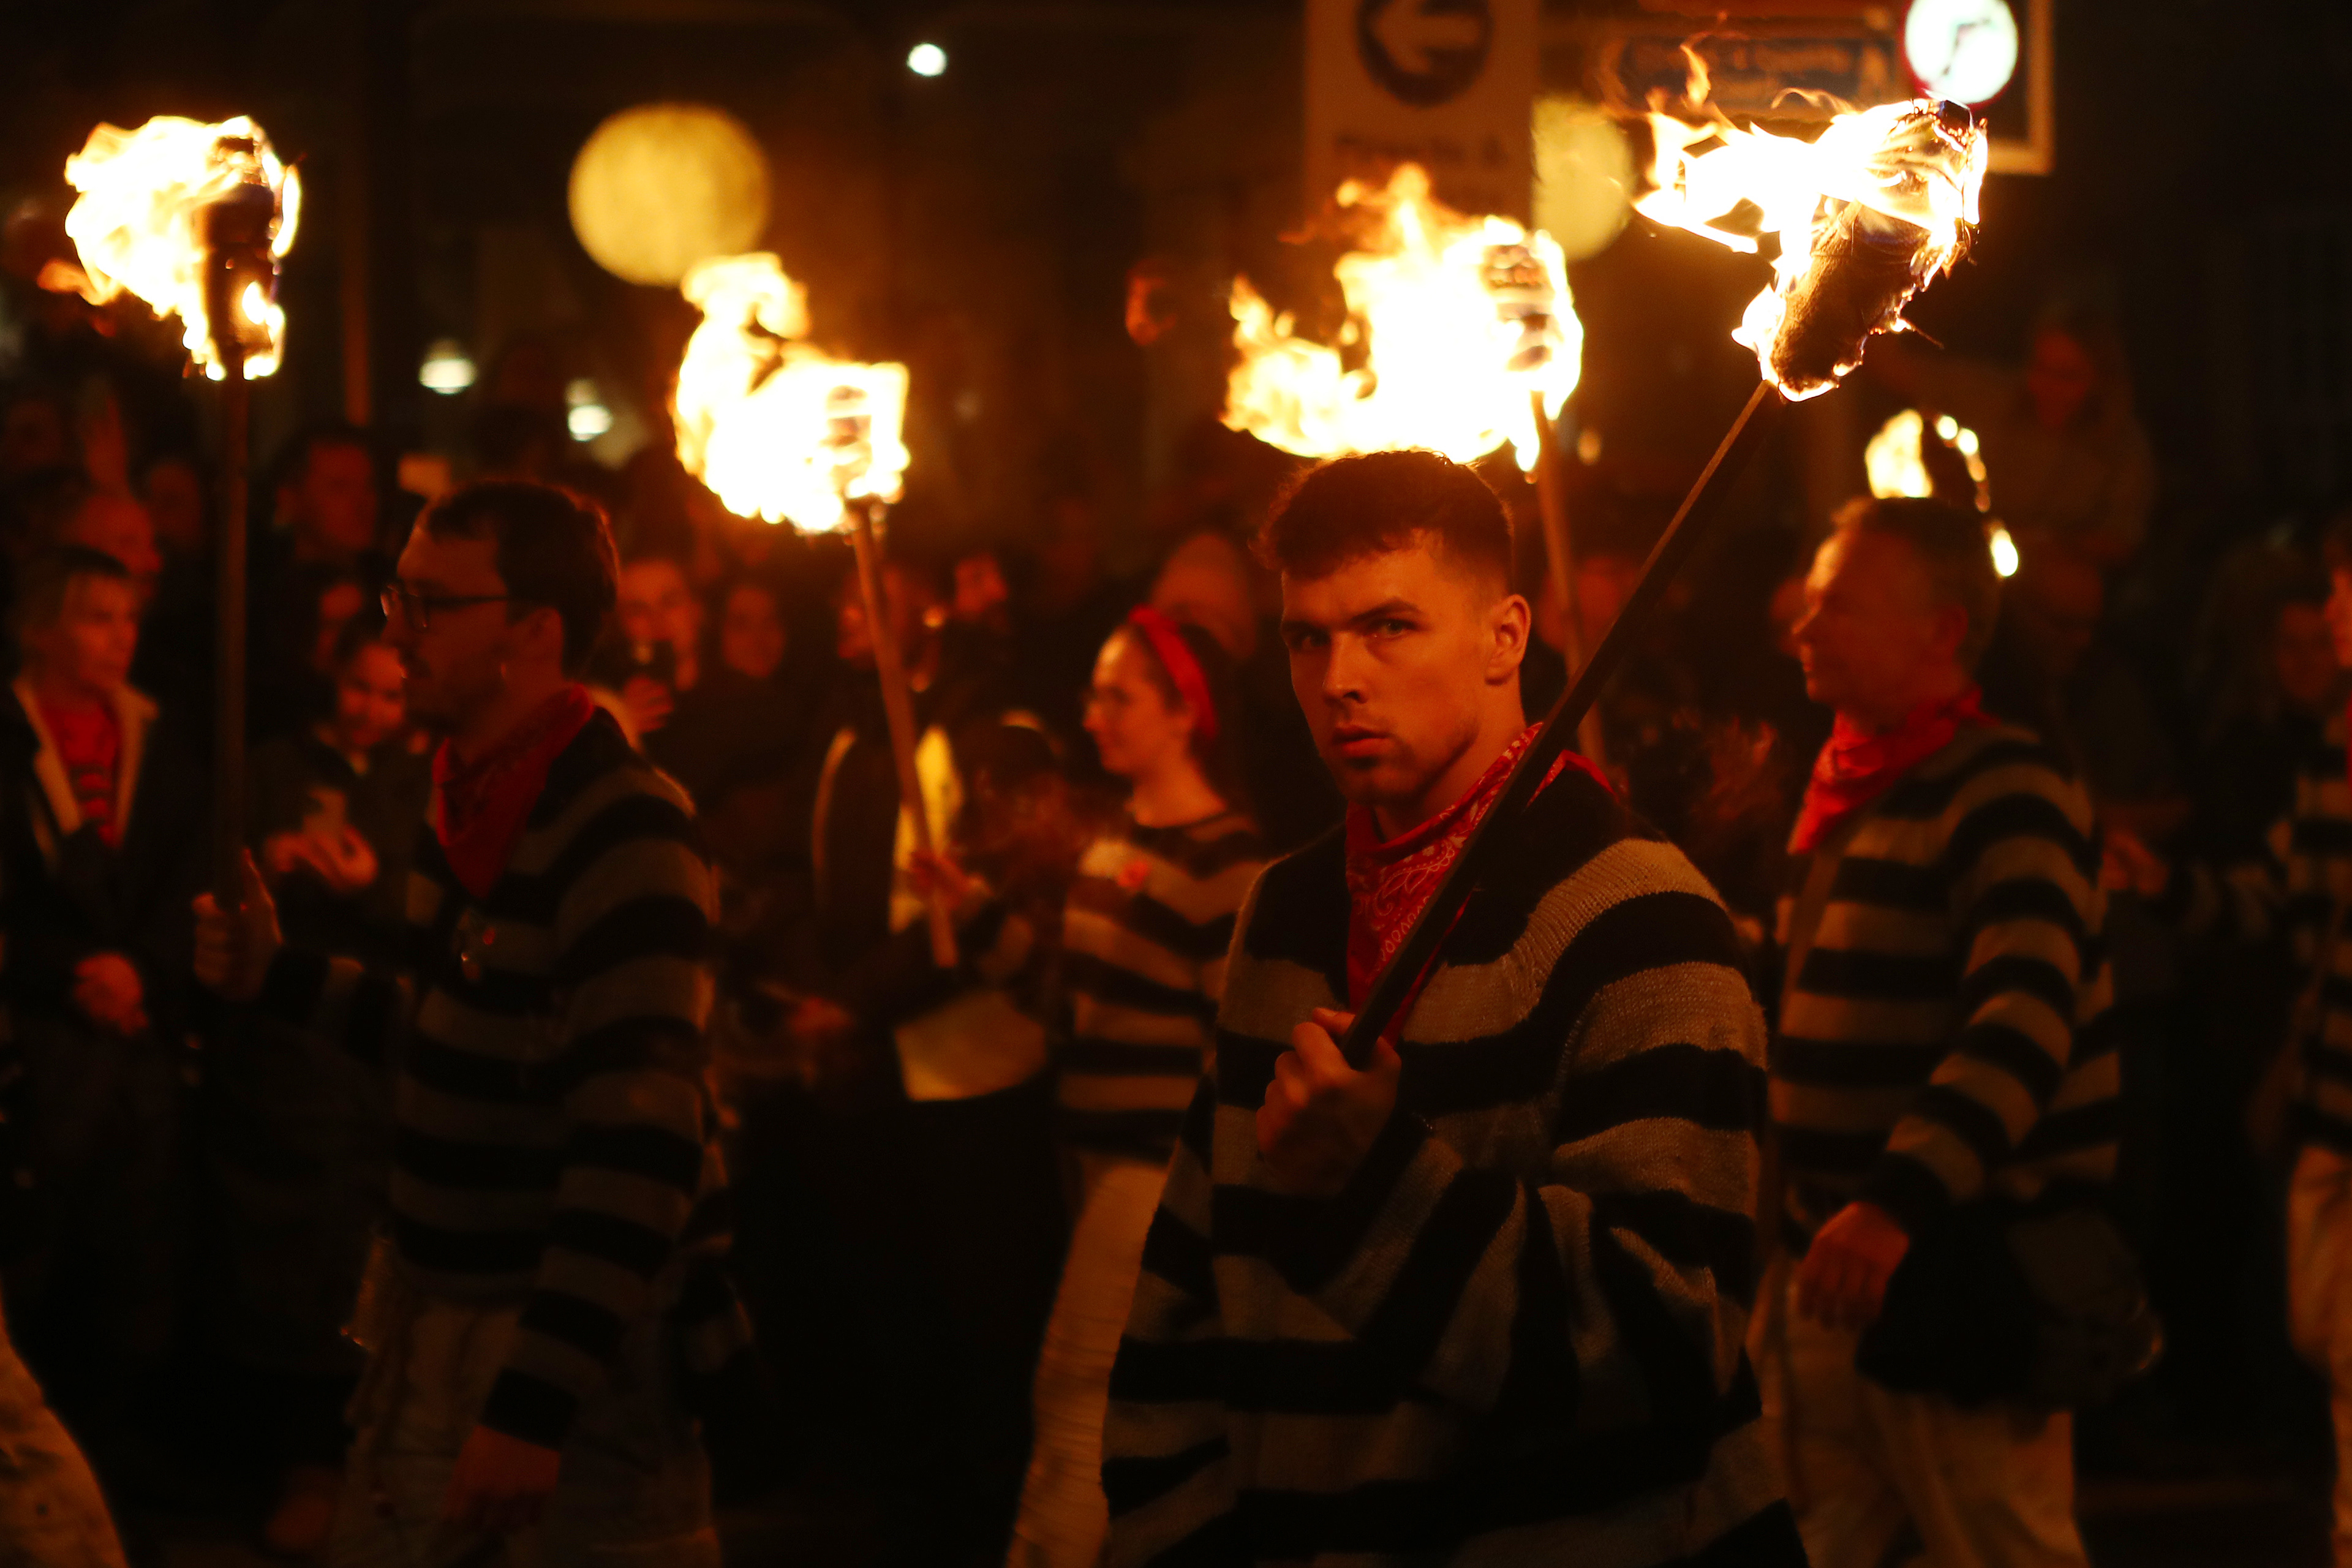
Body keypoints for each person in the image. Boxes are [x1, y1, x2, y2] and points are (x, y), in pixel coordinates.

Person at [1102, 450, 1800, 1566]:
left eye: (1388, 628)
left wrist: (1377, 1182)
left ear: (1505, 637)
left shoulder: (1645, 920)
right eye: (1307, 638)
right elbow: (1190, 1297)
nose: (1339, 677)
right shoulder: (1283, 912)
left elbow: (1667, 1356)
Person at [192, 480, 748, 1567]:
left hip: (567, 1365)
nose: (395, 632)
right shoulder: (466, 797)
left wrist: (532, 1411)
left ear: (535, 632)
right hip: (430, 1324)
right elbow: (456, 1029)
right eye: (397, 596)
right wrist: (278, 975)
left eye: (430, 606)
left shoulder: (627, 826)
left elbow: (641, 1142)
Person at [1771, 496, 2118, 1568]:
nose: (1805, 628)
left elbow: (2023, 1016)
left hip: (1945, 1277)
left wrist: (1894, 1203)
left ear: (1943, 632)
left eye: (1839, 607)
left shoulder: (2004, 787)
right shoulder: (1849, 788)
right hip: (1824, 1275)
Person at [1000, 608, 1265, 1568]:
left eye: (1119, 696)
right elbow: (1074, 1011)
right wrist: (980, 931)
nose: (1095, 714)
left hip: (1151, 1180)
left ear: (1183, 714)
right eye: (1095, 693)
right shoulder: (1110, 846)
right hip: (1087, 1162)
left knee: (1078, 1399)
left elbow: (1234, 1052)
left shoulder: (1228, 866)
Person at [209, 624, 428, 1555]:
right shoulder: (268, 765)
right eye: (359, 688)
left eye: (391, 693)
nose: (371, 709)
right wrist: (274, 859)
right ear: (333, 679)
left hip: (375, 1048)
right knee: (280, 1254)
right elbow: (223, 873)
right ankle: (282, 1463)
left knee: (359, 1251)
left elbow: (435, 905)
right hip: (282, 1049)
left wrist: (375, 884)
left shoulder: (420, 784)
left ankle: (351, 1463)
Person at [0, 546, 205, 1496]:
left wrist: (141, 968)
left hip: (135, 1045)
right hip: (38, 1042)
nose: (120, 639)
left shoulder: (155, 739)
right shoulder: (11, 735)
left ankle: (114, 1477)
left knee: (131, 1263)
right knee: (39, 1257)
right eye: (95, 618)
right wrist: (70, 972)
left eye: (128, 619)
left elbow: (180, 871)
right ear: (41, 626)